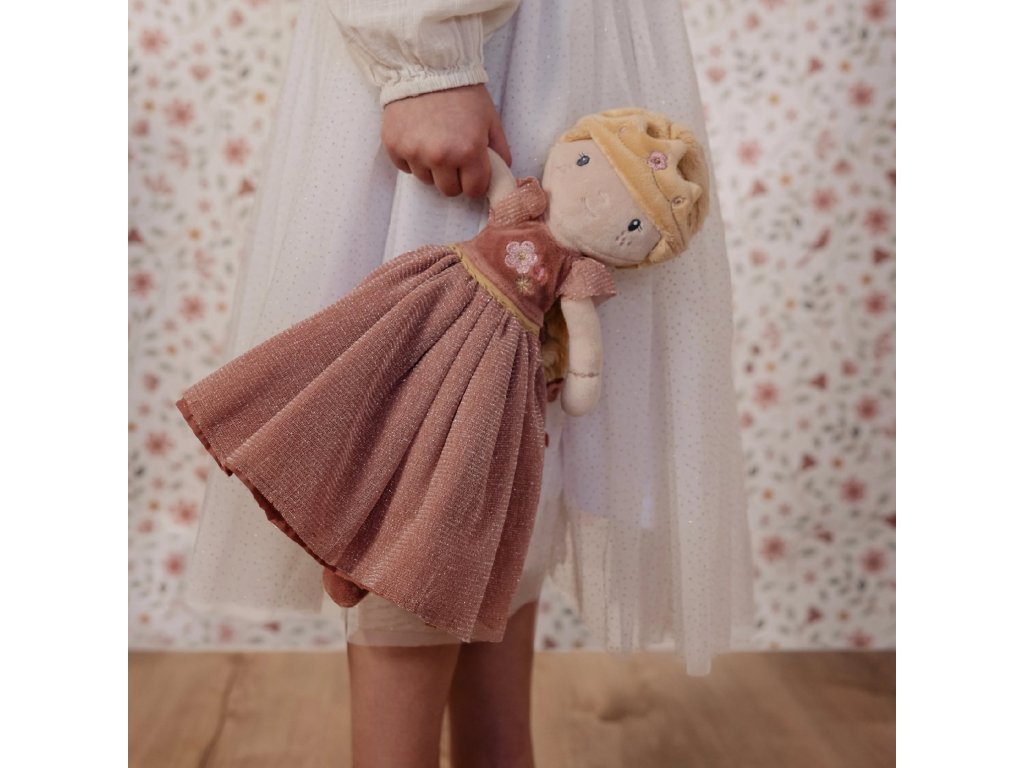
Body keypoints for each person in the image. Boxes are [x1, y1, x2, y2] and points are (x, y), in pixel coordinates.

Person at [180, 1, 756, 765]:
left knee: (526, 462)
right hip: (478, 45)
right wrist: (426, 59)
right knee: (429, 438)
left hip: (563, 41)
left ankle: (498, 747)